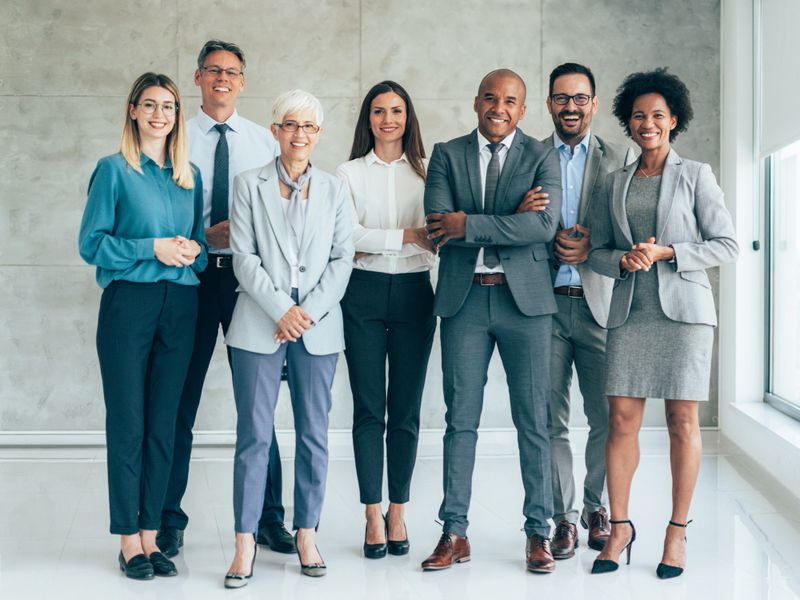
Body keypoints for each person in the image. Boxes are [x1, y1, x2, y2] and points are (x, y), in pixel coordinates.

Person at [587, 68, 738, 578]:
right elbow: (598, 252)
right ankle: (622, 527)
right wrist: (622, 261)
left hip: (685, 317)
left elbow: (727, 245)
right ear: (627, 124)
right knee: (622, 421)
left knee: (682, 422)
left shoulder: (697, 174)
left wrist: (669, 251)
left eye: (657, 115)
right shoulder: (612, 184)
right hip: (630, 312)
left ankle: (676, 532)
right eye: (637, 116)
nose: (647, 123)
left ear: (674, 120)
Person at [421, 69, 562, 574]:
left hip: (526, 305)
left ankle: (538, 534)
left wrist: (472, 222)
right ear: (475, 102)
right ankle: (454, 532)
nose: (498, 108)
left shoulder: (543, 154)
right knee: (460, 422)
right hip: (464, 304)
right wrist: (511, 217)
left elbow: (544, 226)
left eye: (510, 100)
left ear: (524, 109)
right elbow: (441, 228)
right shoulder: (446, 153)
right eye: (490, 98)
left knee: (534, 422)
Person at [157, 40, 293, 559]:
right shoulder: (174, 137)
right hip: (190, 281)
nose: (221, 78)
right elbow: (160, 210)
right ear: (196, 78)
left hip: (248, 283)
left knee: (257, 409)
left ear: (242, 81)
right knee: (177, 404)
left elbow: (283, 215)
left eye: (231, 72)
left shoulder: (264, 141)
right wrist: (198, 235)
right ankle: (168, 518)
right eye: (212, 70)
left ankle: (269, 518)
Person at [222, 89, 354, 587]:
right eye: (290, 125)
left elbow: (343, 260)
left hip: (317, 328)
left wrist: (306, 313)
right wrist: (283, 309)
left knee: (313, 436)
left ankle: (306, 534)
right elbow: (244, 257)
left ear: (319, 135)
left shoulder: (335, 188)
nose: (300, 134)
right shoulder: (246, 185)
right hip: (258, 322)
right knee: (254, 437)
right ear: (275, 130)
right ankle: (243, 544)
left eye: (310, 127)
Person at [78, 72, 207, 580]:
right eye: (150, 104)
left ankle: (152, 535)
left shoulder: (188, 174)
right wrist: (150, 248)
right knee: (129, 422)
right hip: (129, 304)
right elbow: (91, 244)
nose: (160, 114)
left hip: (181, 304)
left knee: (165, 424)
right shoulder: (113, 171)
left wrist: (192, 251)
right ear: (133, 111)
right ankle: (128, 538)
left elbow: (194, 243)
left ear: (177, 115)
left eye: (169, 106)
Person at [336, 81, 436, 559]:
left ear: (408, 116)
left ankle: (399, 508)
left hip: (417, 294)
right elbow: (346, 237)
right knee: (368, 409)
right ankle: (372, 512)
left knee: (407, 411)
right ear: (368, 119)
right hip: (363, 294)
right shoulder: (348, 172)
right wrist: (408, 236)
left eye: (397, 110)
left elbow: (435, 236)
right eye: (379, 111)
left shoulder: (428, 172)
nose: (388, 119)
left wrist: (383, 239)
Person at [540, 63, 635, 559]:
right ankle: (563, 520)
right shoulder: (530, 158)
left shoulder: (622, 160)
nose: (571, 106)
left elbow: (630, 232)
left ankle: (597, 507)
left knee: (606, 416)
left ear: (594, 104)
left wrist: (591, 244)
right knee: (551, 418)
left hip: (601, 305)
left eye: (580, 98)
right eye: (561, 97)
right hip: (544, 306)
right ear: (549, 103)